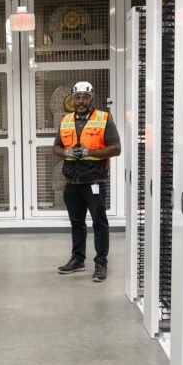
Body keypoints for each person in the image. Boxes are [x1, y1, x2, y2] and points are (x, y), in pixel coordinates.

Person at [53, 81, 121, 282]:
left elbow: (116, 148)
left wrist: (89, 152)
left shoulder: (104, 118)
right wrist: (67, 152)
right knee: (76, 222)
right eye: (77, 97)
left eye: (85, 97)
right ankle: (78, 259)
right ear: (72, 99)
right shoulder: (66, 120)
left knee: (99, 222)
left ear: (91, 98)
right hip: (72, 182)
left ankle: (101, 262)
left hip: (94, 181)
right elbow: (56, 147)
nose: (81, 101)